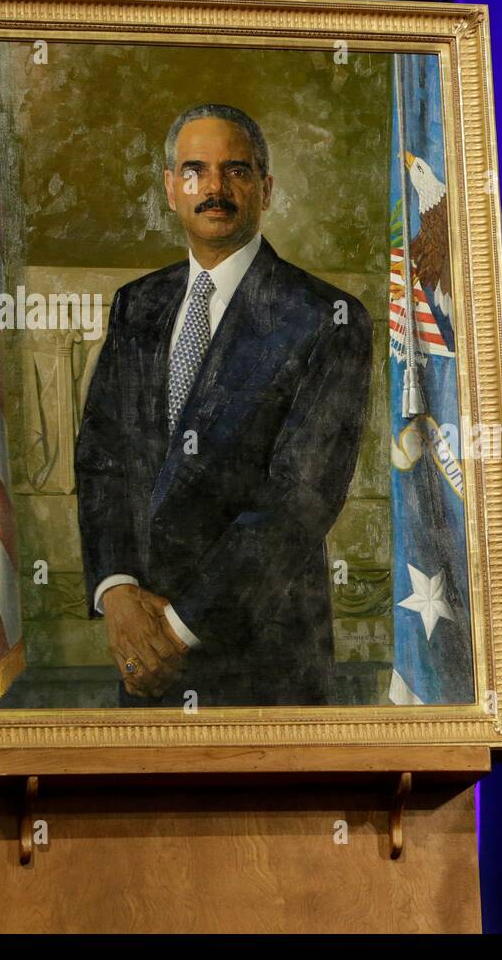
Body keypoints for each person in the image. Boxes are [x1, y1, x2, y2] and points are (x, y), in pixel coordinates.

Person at [75, 103, 372, 707]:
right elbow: (103, 459)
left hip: (265, 667)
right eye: (195, 170)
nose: (214, 187)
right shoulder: (137, 306)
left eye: (235, 170)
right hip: (140, 655)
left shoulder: (326, 319)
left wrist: (174, 631)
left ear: (265, 189)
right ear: (170, 187)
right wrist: (119, 593)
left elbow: (298, 502)